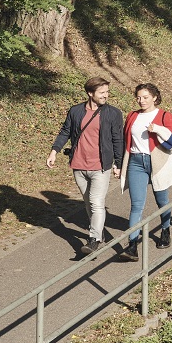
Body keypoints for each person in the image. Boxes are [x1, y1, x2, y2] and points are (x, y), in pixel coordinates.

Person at [48, 76, 124, 257]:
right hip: (79, 165)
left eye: (107, 92)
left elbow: (117, 140)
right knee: (88, 203)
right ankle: (99, 232)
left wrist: (118, 164)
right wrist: (54, 151)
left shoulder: (113, 113)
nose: (106, 95)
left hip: (100, 166)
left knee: (97, 203)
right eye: (102, 92)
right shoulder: (76, 111)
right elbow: (66, 131)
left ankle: (93, 240)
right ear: (90, 93)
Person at [120, 82, 172, 255]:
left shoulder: (164, 116)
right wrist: (120, 165)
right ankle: (132, 246)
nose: (141, 101)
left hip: (157, 162)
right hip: (136, 162)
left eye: (145, 97)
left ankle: (165, 230)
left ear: (155, 97)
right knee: (136, 205)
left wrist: (159, 130)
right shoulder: (132, 116)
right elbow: (126, 142)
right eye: (138, 97)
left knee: (162, 200)